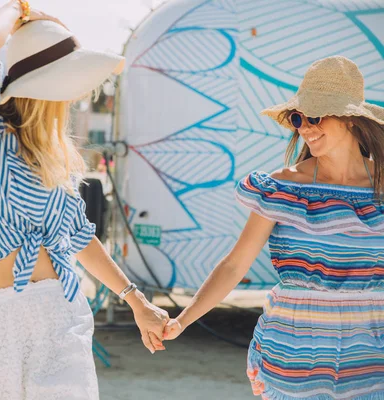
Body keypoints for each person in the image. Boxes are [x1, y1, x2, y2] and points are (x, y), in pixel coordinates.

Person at [0, 1, 169, 399]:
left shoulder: (54, 159)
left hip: (58, 313)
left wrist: (135, 300)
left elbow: (81, 238)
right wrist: (19, 9)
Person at [163, 56, 384, 399]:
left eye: (315, 116)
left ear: (352, 120)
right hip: (293, 355)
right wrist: (183, 320)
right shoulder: (282, 187)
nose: (305, 128)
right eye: (298, 118)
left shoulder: (382, 188)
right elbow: (236, 263)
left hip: (370, 358)